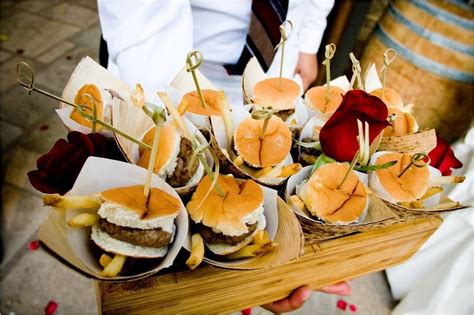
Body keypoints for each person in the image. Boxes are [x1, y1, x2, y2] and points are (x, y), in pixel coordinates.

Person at [98, 1, 350, 312]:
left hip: (278, 66)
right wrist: (167, 121)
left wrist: (309, 41)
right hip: (176, 75)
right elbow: (144, 22)